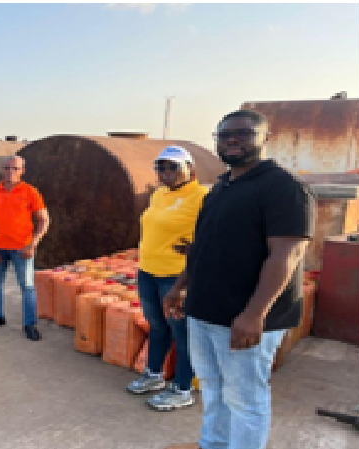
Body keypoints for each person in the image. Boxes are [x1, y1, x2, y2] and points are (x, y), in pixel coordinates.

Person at [163, 110, 315, 449]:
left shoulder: (284, 188)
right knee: (214, 388)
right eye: (224, 134)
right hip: (205, 310)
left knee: (245, 398)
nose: (232, 140)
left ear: (265, 137)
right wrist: (178, 288)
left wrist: (254, 314)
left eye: (243, 133)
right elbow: (201, 247)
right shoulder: (221, 188)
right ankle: (213, 444)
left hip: (244, 317)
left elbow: (285, 255)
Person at [126, 146, 208, 411]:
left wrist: (196, 251)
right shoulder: (158, 194)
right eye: (161, 167)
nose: (166, 172)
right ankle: (154, 374)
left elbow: (213, 234)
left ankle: (183, 388)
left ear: (190, 169)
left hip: (177, 276)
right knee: (157, 327)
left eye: (173, 166)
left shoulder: (202, 195)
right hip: (148, 271)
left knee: (182, 333)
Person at [0, 156, 50, 341]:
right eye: (7, 168)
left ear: (22, 170)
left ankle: (29, 324)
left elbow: (44, 220)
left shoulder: (30, 192)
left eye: (15, 168)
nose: (11, 171)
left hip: (22, 249)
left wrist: (32, 244)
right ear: (2, 170)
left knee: (26, 286)